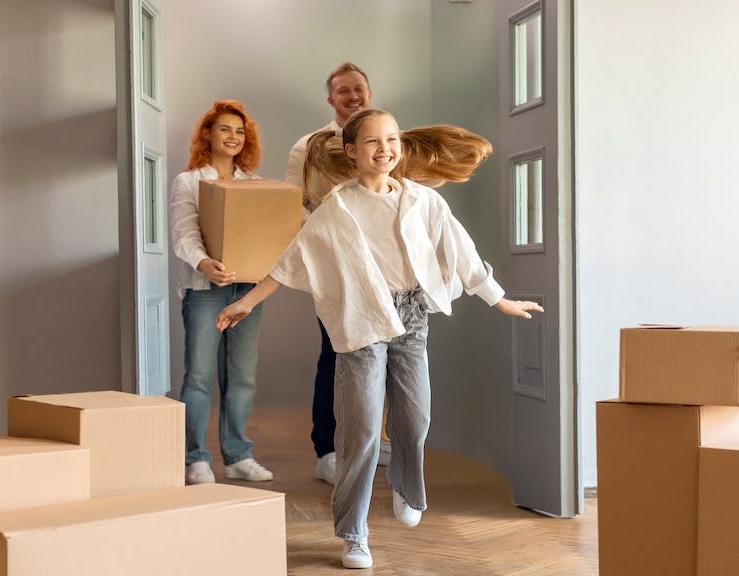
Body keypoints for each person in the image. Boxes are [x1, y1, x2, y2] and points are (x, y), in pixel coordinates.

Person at [218, 109, 544, 569]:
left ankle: (408, 490)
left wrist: (500, 299)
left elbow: (462, 252)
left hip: (411, 318)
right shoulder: (339, 205)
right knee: (362, 430)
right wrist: (247, 302)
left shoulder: (423, 200)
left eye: (391, 139)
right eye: (372, 142)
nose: (384, 149)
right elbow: (296, 258)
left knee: (415, 418)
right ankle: (354, 533)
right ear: (351, 152)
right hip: (362, 322)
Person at [170, 99, 274, 485]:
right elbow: (184, 233)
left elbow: (265, 233)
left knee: (242, 377)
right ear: (208, 135)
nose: (233, 136)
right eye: (224, 129)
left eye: (239, 131)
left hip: (248, 290)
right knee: (198, 376)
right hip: (205, 290)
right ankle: (196, 458)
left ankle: (237, 457)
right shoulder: (189, 181)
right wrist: (204, 265)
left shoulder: (256, 186)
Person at [285, 62, 377, 486]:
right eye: (344, 91)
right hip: (334, 267)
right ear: (331, 99)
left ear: (369, 93)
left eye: (359, 89)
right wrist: (327, 239)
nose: (353, 96)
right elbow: (293, 205)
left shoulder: (383, 138)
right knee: (334, 357)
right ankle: (327, 450)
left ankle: (370, 443)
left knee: (382, 359)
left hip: (382, 268)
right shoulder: (309, 146)